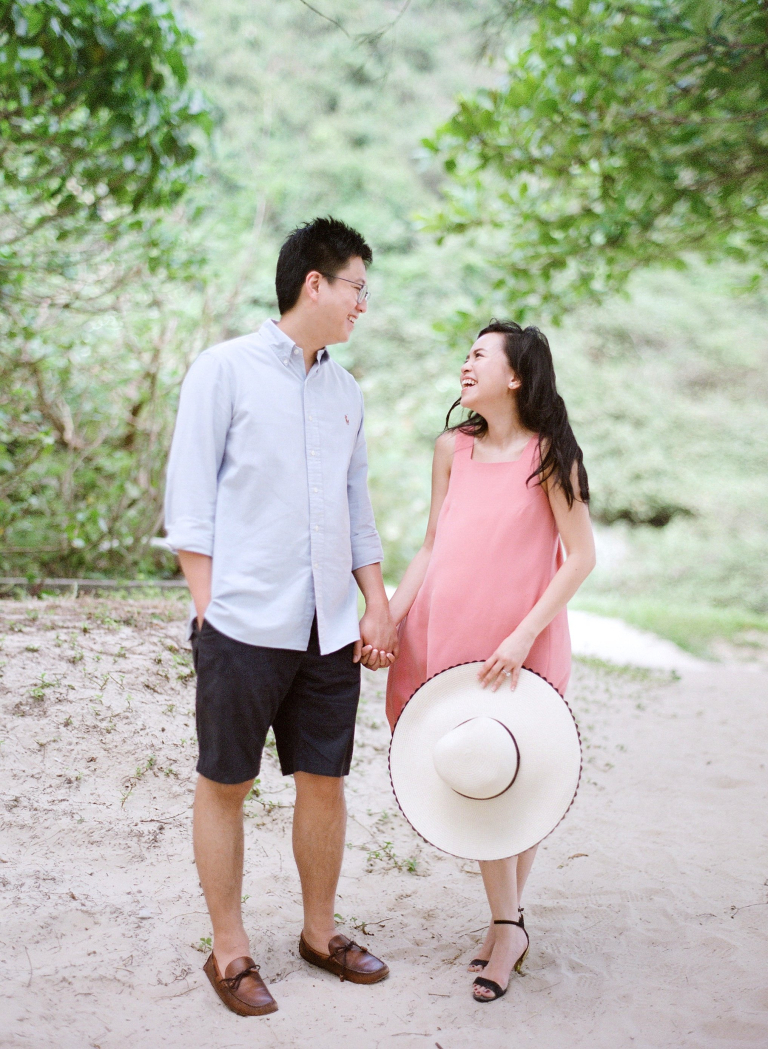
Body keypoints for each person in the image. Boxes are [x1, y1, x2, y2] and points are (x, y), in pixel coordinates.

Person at [164, 217, 398, 1017]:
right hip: (241, 624)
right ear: (315, 283)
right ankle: (229, 950)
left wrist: (376, 602)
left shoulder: (345, 391)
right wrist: (211, 612)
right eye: (357, 287)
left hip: (328, 628)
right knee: (226, 782)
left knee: (324, 781)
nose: (363, 303)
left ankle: (319, 933)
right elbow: (189, 505)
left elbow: (356, 508)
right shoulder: (223, 369)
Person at [386, 320, 596, 1003]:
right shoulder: (451, 447)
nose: (466, 364)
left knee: (517, 773)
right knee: (479, 772)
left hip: (521, 648)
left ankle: (506, 926)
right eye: (466, 353)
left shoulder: (551, 456)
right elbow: (430, 545)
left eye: (480, 354)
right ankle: (509, 924)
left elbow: (581, 557)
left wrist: (523, 634)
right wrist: (389, 616)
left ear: (515, 376)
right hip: (446, 639)